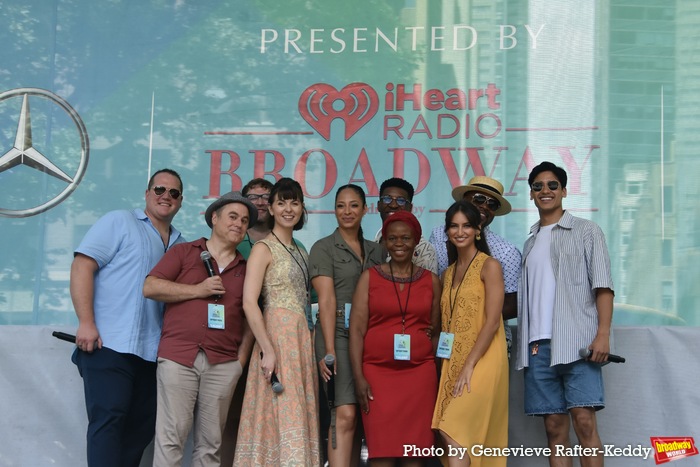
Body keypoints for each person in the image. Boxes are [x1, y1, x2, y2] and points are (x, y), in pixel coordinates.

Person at [70, 168, 184, 467]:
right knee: (108, 423)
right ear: (147, 194)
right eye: (160, 189)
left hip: (152, 355)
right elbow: (83, 266)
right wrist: (86, 322)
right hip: (109, 344)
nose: (166, 196)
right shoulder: (119, 221)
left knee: (140, 430)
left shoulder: (181, 244)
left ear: (180, 201)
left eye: (173, 193)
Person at [142, 191, 256, 466]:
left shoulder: (248, 268)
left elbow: (252, 317)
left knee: (210, 445)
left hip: (223, 363)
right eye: (232, 216)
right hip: (179, 356)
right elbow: (151, 287)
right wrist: (197, 290)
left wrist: (239, 363)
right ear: (214, 219)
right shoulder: (184, 251)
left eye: (244, 220)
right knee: (171, 438)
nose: (238, 224)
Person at [515, 161, 614, 467]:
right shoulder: (529, 243)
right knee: (554, 428)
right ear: (531, 195)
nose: (545, 190)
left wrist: (603, 335)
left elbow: (603, 286)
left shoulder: (587, 231)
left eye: (552, 185)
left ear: (565, 190)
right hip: (537, 347)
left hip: (578, 344)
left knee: (584, 422)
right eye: (538, 186)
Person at [234, 177, 320, 465]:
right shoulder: (262, 248)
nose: (288, 209)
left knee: (297, 408)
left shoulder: (302, 251)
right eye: (281, 202)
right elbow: (249, 302)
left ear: (302, 208)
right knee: (275, 409)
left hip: (301, 338)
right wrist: (267, 349)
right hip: (276, 335)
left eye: (294, 202)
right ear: (270, 208)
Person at [350, 211, 441, 466]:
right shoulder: (370, 277)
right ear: (385, 242)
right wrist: (359, 378)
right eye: (392, 238)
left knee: (415, 456)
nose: (399, 243)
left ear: (416, 241)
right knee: (382, 455)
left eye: (406, 238)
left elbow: (435, 329)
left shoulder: (431, 281)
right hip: (377, 375)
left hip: (419, 378)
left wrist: (436, 374)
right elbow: (356, 330)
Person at [310, 184, 385, 466]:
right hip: (337, 334)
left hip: (371, 337)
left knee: (365, 416)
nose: (347, 211)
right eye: (341, 205)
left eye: (354, 205)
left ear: (366, 209)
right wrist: (328, 349)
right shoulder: (323, 248)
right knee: (345, 413)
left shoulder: (377, 251)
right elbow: (326, 301)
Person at [431, 201, 508, 467]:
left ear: (478, 230)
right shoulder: (448, 273)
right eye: (454, 226)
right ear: (447, 231)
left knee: (454, 431)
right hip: (453, 360)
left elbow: (492, 323)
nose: (459, 231)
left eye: (466, 225)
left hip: (483, 359)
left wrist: (470, 365)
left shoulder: (490, 266)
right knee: (449, 433)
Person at [428, 176, 521, 358]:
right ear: (464, 200)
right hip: (445, 336)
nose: (485, 206)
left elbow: (512, 305)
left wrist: (467, 320)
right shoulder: (439, 235)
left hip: (489, 339)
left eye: (492, 204)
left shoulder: (506, 251)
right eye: (479, 198)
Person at [374, 177, 438, 274]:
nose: (393, 205)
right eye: (387, 199)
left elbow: (428, 285)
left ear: (410, 208)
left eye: (401, 200)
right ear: (378, 205)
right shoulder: (372, 245)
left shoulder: (424, 249)